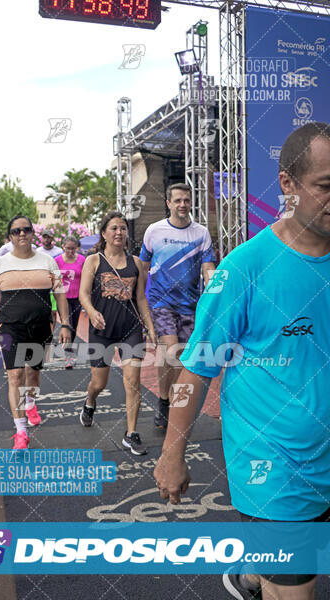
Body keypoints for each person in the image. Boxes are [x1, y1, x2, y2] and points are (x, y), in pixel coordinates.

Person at [154, 122, 330, 600]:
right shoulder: (244, 270)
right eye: (326, 186)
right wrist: (172, 453)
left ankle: (252, 575)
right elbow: (195, 369)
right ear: (288, 184)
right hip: (274, 465)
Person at [0, 215, 71, 449]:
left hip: (40, 326)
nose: (22, 234)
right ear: (10, 237)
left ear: (32, 233)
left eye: (26, 230)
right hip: (10, 327)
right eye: (16, 231)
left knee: (33, 373)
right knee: (15, 375)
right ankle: (20, 431)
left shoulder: (47, 261)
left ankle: (30, 403)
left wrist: (65, 324)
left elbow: (60, 294)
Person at [79, 211, 157, 456]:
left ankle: (131, 434)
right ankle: (90, 402)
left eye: (123, 228)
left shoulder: (136, 263)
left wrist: (150, 327)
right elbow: (83, 294)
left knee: (133, 382)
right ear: (104, 233)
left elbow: (141, 298)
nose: (119, 233)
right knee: (98, 383)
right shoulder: (93, 261)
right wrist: (91, 311)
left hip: (130, 329)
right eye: (113, 228)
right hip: (102, 330)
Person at [139, 183, 216, 429]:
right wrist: (139, 301)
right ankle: (165, 401)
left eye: (186, 200)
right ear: (169, 203)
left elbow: (208, 269)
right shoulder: (154, 231)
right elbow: (142, 267)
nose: (183, 204)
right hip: (161, 303)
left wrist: (214, 289)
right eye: (178, 200)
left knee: (182, 358)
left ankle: (170, 401)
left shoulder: (201, 233)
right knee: (171, 351)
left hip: (191, 305)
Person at [54, 236, 85, 368]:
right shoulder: (57, 261)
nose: (70, 251)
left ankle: (68, 347)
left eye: (73, 249)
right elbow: (54, 280)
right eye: (68, 248)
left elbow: (86, 278)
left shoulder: (82, 260)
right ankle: (69, 355)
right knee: (68, 325)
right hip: (63, 299)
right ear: (63, 247)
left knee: (74, 327)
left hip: (77, 298)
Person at [37, 230, 64, 332]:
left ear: (52, 238)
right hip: (42, 283)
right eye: (44, 237)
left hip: (55, 282)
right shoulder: (38, 251)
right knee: (42, 309)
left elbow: (61, 267)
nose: (46, 239)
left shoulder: (59, 251)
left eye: (48, 237)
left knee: (53, 311)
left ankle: (51, 333)